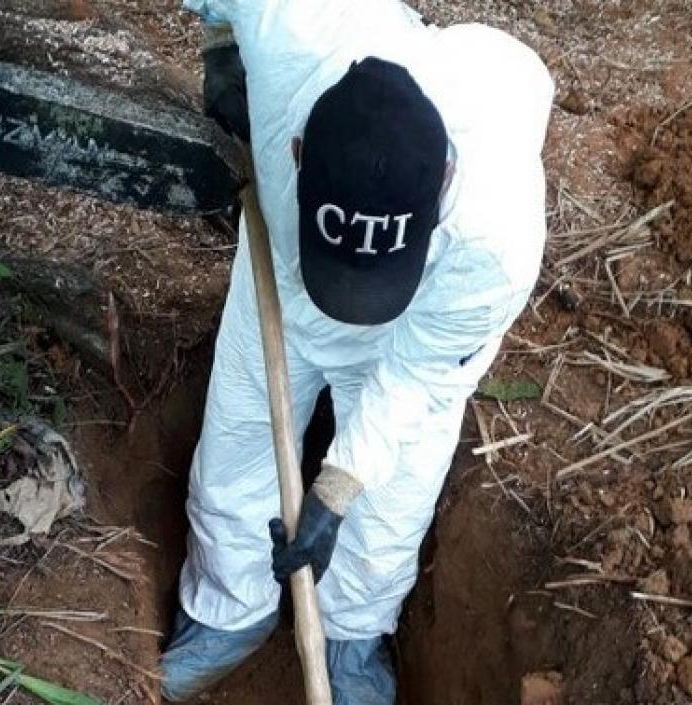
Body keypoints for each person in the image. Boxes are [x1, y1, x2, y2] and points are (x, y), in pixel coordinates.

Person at [160, 2, 554, 703]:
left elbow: (417, 377)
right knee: (239, 434)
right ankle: (227, 611)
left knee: (392, 494)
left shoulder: (493, 237)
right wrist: (222, 43)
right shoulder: (295, 29)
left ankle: (350, 636)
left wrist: (337, 486)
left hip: (417, 329)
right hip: (286, 274)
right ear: (298, 151)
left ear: (442, 185)